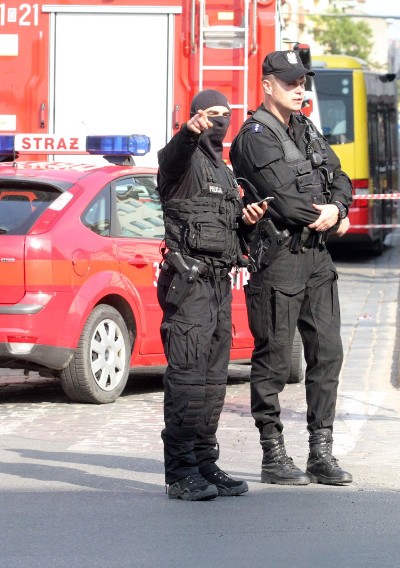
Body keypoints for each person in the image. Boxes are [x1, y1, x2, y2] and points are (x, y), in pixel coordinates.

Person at [230, 50, 353, 487]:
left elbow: (341, 176)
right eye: (289, 82)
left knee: (328, 354)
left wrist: (337, 208)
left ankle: (321, 452)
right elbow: (280, 198)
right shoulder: (255, 136)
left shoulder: (302, 125)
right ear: (267, 85)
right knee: (275, 359)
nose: (299, 88)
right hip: (279, 259)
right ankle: (273, 453)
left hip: (316, 257)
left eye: (303, 81)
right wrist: (325, 215)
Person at [156, 89, 267, 501]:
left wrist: (247, 219)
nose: (220, 120)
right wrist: (187, 133)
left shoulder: (221, 168)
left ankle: (205, 462)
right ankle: (181, 472)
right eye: (211, 113)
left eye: (226, 113)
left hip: (219, 284)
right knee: (186, 378)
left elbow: (228, 229)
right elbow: (170, 160)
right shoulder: (184, 162)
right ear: (196, 116)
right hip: (190, 287)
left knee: (214, 380)